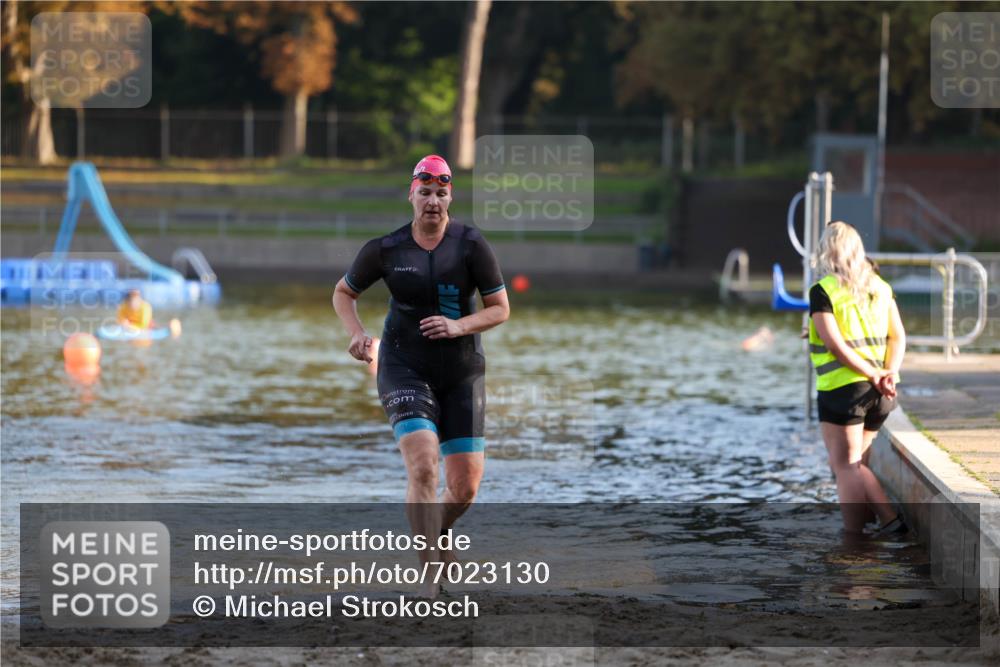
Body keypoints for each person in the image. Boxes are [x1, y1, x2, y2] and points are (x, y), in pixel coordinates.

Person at [332, 155, 510, 596]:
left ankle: (434, 530)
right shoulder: (386, 249)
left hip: (462, 372)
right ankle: (430, 577)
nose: (433, 201)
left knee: (464, 488)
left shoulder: (470, 244)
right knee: (424, 465)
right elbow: (343, 292)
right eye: (425, 192)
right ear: (411, 194)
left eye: (441, 193)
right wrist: (356, 334)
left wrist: (457, 326)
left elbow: (500, 309)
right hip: (403, 366)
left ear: (451, 196)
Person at [808, 221, 907, 536]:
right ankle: (885, 522)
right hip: (880, 393)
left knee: (845, 467)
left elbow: (836, 347)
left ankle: (854, 541)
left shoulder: (823, 290)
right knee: (854, 464)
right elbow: (898, 337)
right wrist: (888, 372)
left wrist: (874, 372)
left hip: (844, 391)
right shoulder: (880, 286)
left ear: (827, 251)